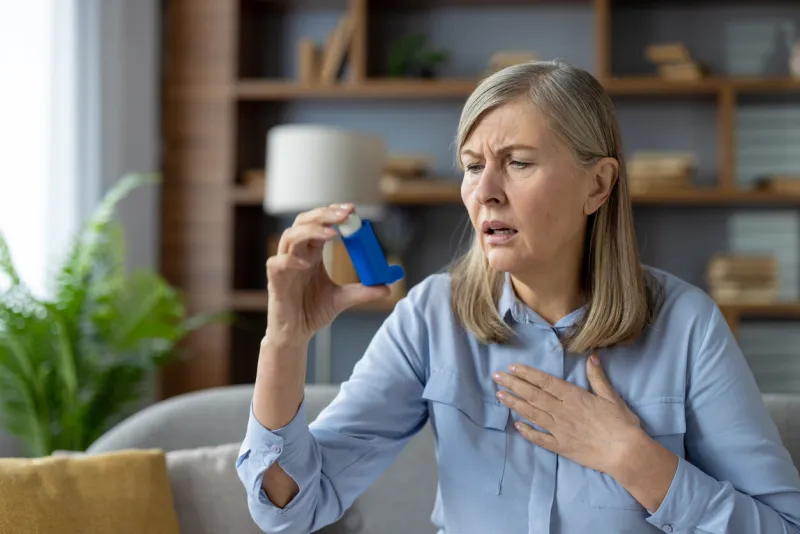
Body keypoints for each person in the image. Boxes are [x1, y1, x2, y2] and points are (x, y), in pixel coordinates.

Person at [235, 60, 800, 534]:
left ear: (598, 185)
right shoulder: (431, 318)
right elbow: (292, 506)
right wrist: (285, 338)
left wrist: (633, 459)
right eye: (473, 166)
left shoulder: (687, 328)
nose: (485, 192)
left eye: (519, 163)